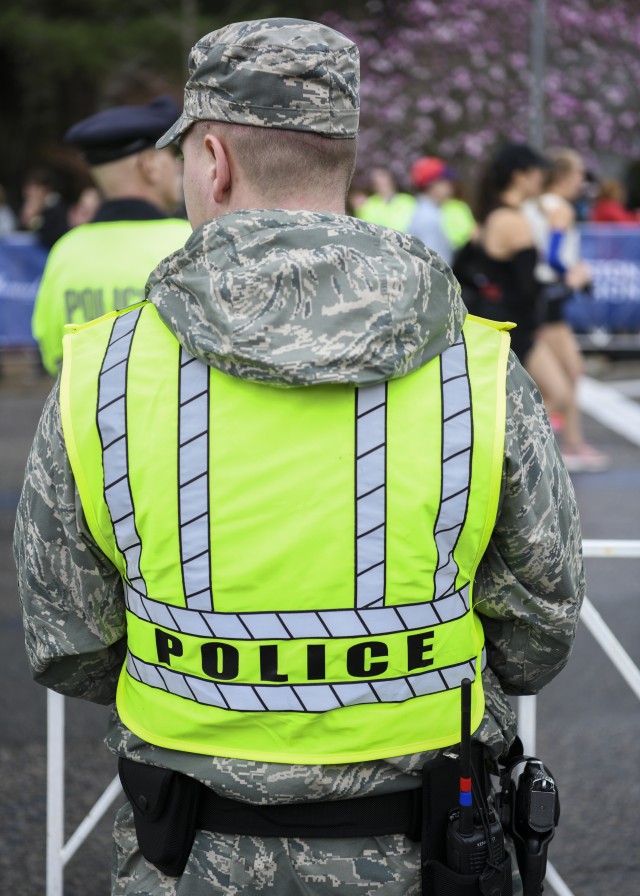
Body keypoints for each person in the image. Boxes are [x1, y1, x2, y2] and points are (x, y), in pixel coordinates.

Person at [15, 19, 585, 896]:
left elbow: (68, 642)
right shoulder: (477, 365)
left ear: (214, 160)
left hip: (185, 854)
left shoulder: (104, 369)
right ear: (344, 159)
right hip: (429, 853)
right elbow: (540, 625)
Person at [30, 96, 191, 377]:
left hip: (84, 418)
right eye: (174, 157)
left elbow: (51, 352)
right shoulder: (190, 243)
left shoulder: (66, 251)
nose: (179, 167)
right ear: (149, 165)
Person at [525, 148, 609, 472]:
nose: (581, 181)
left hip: (544, 298)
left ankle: (573, 444)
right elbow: (554, 256)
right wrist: (575, 273)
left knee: (571, 372)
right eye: (578, 175)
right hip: (550, 299)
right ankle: (542, 450)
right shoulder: (560, 208)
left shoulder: (537, 204)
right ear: (563, 176)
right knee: (558, 383)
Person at [406, 156, 455, 264]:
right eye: (444, 181)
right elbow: (433, 264)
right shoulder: (428, 217)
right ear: (432, 184)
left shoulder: (428, 210)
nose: (450, 186)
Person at [355, 165, 416, 231]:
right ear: (372, 184)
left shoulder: (409, 200)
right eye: (376, 180)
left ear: (391, 179)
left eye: (383, 176)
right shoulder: (366, 205)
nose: (380, 181)